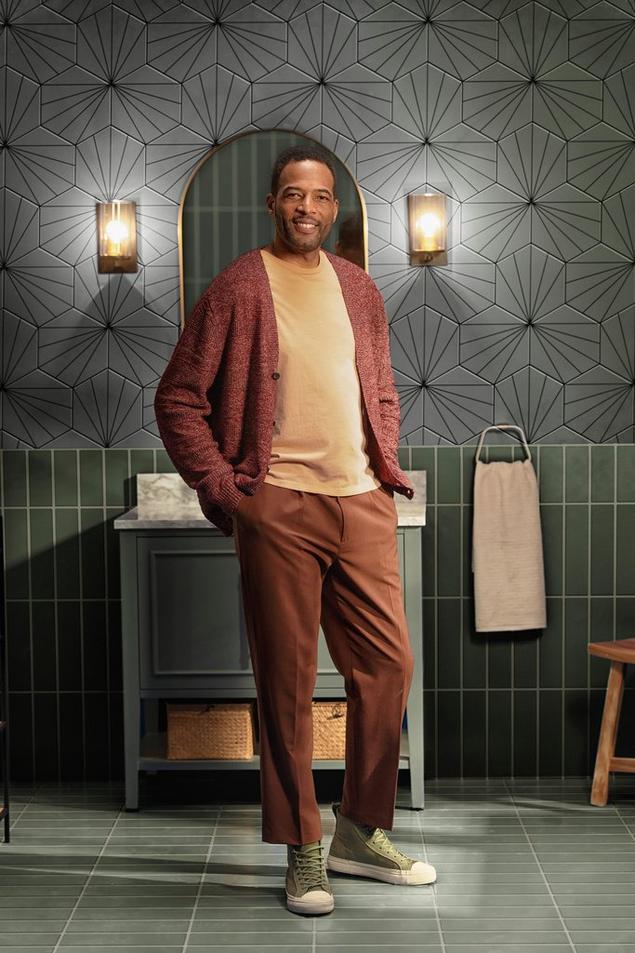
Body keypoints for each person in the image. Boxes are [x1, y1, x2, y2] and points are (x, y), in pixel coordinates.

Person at [154, 144, 437, 916]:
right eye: (291, 195)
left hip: (362, 501)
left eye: (318, 196)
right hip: (277, 504)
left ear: (333, 207)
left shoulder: (359, 288)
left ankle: (361, 830)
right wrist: (227, 490)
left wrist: (382, 464)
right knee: (285, 685)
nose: (305, 208)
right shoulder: (241, 284)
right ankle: (302, 848)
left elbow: (375, 388)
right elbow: (178, 397)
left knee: (386, 668)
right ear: (272, 205)